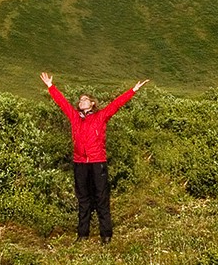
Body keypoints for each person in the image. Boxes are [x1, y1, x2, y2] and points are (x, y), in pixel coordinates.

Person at [41, 71, 148, 243]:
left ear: (92, 104)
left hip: (97, 162)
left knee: (101, 198)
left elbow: (116, 105)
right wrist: (50, 87)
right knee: (83, 199)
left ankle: (106, 235)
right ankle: (82, 235)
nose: (81, 101)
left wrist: (133, 90)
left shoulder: (100, 117)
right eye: (80, 100)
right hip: (80, 163)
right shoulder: (75, 118)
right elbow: (62, 103)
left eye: (85, 99)